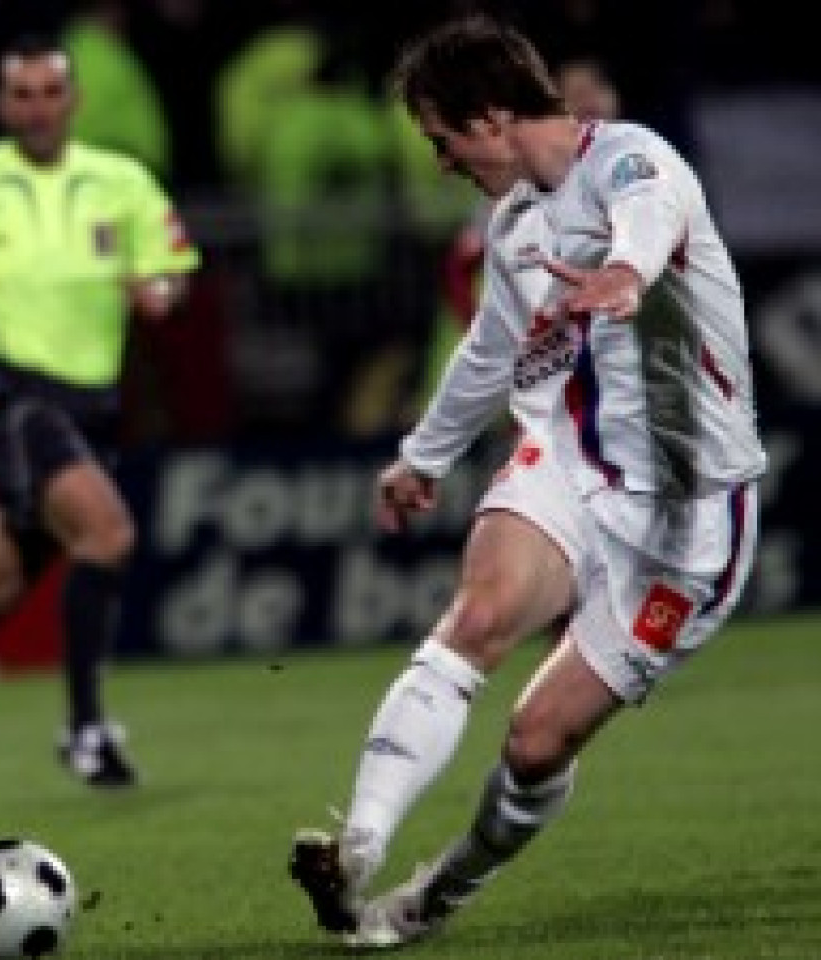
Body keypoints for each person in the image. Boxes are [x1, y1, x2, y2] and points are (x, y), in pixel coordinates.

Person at [290, 14, 765, 949]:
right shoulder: (511, 224)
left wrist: (625, 273)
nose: (441, 164)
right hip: (573, 463)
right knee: (478, 615)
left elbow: (647, 219)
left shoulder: (635, 161)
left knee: (536, 741)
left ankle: (436, 896)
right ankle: (356, 846)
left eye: (443, 140)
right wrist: (424, 455)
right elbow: (490, 352)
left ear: (493, 117)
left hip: (687, 519)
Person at [0, 34, 199, 789]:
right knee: (108, 532)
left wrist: (162, 293)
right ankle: (87, 730)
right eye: (20, 95)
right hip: (10, 396)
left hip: (91, 405)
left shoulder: (120, 181)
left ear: (73, 99)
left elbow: (173, 269)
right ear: (0, 105)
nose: (37, 108)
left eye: (49, 92)